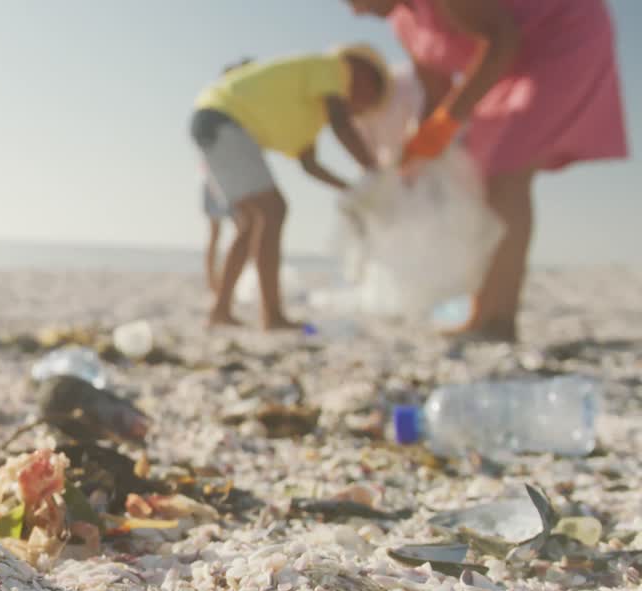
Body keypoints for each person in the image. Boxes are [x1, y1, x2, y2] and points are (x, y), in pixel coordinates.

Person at [344, 0, 629, 342]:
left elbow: (503, 40)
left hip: (560, 39)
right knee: (477, 171)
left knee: (506, 170)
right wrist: (419, 149)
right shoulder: (403, 23)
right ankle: (482, 312)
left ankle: (498, 318)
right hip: (509, 66)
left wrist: (447, 123)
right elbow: (437, 93)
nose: (354, 13)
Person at [191, 46, 388, 329]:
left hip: (212, 121)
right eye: (371, 95)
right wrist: (373, 169)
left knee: (251, 223)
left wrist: (350, 189)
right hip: (224, 119)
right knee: (273, 210)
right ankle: (271, 315)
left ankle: (220, 310)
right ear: (362, 72)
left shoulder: (310, 113)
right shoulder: (332, 68)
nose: (365, 107)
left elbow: (309, 164)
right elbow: (341, 123)